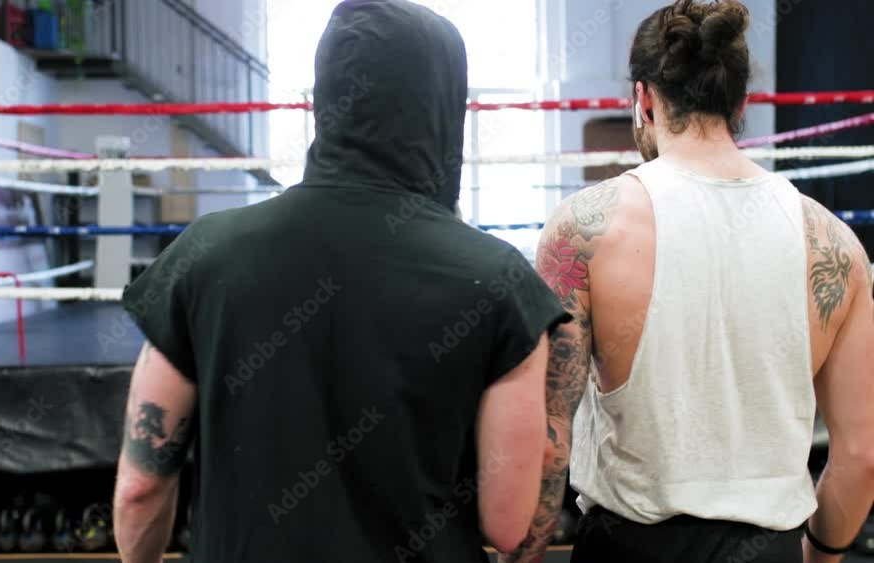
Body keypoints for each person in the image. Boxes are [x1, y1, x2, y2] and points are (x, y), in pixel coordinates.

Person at [111, 1, 568, 562]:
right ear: (446, 108)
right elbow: (507, 523)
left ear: (323, 100)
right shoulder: (499, 281)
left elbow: (141, 485)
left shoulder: (204, 253)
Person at [503, 1, 874, 562]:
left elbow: (547, 443)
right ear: (742, 103)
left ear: (644, 99)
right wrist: (819, 556)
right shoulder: (833, 244)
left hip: (628, 548)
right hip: (768, 549)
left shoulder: (585, 228)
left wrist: (521, 559)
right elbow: (862, 454)